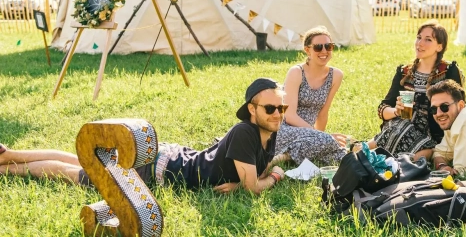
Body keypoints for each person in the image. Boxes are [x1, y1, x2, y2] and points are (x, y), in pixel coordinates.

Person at [0, 78, 287, 195]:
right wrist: (275, 177)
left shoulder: (268, 130)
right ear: (252, 109)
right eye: (271, 108)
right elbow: (254, 186)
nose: (277, 113)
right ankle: (11, 167)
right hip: (157, 169)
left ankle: (9, 156)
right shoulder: (245, 132)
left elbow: (251, 175)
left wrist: (244, 181)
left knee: (86, 161)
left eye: (281, 107)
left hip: (169, 157)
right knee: (82, 174)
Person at [360, 21, 465, 161]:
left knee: (421, 145)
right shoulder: (404, 72)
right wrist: (396, 111)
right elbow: (383, 108)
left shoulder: (449, 71)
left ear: (439, 47)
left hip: (434, 130)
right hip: (400, 124)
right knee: (400, 128)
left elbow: (459, 106)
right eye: (419, 37)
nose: (420, 43)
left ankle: (371, 155)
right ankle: (365, 155)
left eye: (428, 39)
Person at [274, 26, 347, 165]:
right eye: (318, 47)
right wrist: (321, 136)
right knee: (329, 141)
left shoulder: (336, 75)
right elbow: (289, 116)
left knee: (339, 154)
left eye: (329, 46)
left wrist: (320, 140)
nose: (324, 51)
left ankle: (287, 156)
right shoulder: (296, 72)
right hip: (284, 129)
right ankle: (283, 155)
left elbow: (323, 113)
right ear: (308, 50)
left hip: (309, 133)